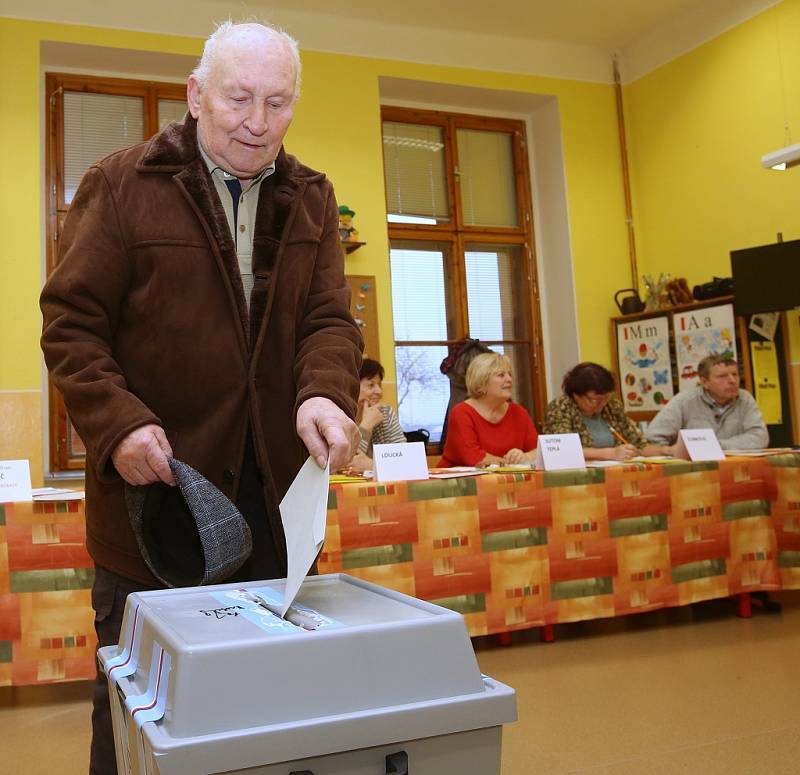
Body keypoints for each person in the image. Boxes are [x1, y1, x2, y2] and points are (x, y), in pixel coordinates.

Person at [39, 21, 362, 775]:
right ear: (196, 95)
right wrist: (117, 425)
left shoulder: (312, 197)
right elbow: (72, 327)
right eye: (239, 98)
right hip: (155, 505)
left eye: (278, 102)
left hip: (277, 509)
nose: (258, 121)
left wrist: (322, 393)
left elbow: (327, 322)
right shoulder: (123, 183)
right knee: (139, 721)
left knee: (270, 714)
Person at [543, 362, 672, 461]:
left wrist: (667, 451)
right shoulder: (561, 407)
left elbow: (638, 444)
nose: (602, 403)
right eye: (595, 400)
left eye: (606, 397)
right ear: (576, 395)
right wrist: (612, 453)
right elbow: (563, 451)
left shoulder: (613, 406)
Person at [646, 354, 768, 450]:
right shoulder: (684, 401)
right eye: (722, 376)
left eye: (735, 374)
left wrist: (715, 446)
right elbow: (652, 439)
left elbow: (760, 437)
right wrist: (674, 455)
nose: (732, 381)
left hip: (733, 467)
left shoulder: (745, 399)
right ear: (705, 382)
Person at [438, 352, 538, 467]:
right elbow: (474, 458)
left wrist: (524, 457)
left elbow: (538, 451)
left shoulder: (519, 413)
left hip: (502, 480)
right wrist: (509, 464)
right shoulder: (461, 413)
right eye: (501, 375)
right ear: (482, 383)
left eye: (510, 374)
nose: (509, 379)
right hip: (458, 483)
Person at [342, 358, 406, 473]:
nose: (379, 391)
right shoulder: (341, 415)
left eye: (379, 385)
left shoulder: (385, 413)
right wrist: (366, 426)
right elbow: (344, 463)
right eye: (371, 385)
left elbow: (403, 461)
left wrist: (372, 465)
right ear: (353, 387)